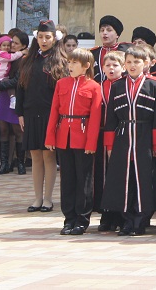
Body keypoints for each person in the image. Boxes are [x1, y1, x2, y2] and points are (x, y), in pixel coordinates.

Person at [102, 46, 156, 236]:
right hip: (123, 136)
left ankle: (140, 220)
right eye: (129, 62)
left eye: (136, 62)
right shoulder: (117, 86)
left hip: (145, 136)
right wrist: (110, 144)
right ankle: (127, 220)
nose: (132, 66)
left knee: (143, 179)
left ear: (145, 63)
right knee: (124, 179)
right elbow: (111, 119)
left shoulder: (155, 85)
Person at [45, 48, 102, 235]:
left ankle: (82, 219)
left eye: (74, 62)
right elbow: (54, 111)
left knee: (84, 180)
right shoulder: (61, 84)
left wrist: (91, 143)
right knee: (67, 179)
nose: (70, 66)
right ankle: (68, 218)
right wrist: (50, 137)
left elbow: (95, 117)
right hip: (64, 136)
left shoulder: (94, 87)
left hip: (83, 136)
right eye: (69, 62)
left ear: (86, 66)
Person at [16, 20, 68, 212]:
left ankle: (48, 199)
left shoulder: (61, 61)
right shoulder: (28, 60)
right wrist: (20, 113)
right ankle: (37, 198)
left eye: (47, 37)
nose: (44, 41)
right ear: (36, 38)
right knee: (35, 156)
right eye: (40, 37)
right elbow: (20, 88)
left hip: (50, 115)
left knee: (48, 156)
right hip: (30, 113)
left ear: (55, 39)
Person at [95, 51, 126, 232]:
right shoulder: (99, 86)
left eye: (115, 65)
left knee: (119, 176)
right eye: (107, 65)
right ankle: (106, 214)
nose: (111, 69)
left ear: (123, 67)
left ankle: (120, 215)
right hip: (101, 135)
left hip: (121, 134)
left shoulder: (124, 86)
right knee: (103, 177)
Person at [0, 31, 30, 175]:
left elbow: (17, 80)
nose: (12, 45)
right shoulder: (5, 55)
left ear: (24, 46)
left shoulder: (24, 59)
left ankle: (20, 162)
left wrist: (1, 84)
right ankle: (4, 164)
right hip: (4, 96)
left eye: (15, 43)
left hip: (17, 96)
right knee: (3, 129)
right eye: (11, 42)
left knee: (17, 130)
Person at [91, 15, 130, 83]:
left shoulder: (126, 51)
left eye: (109, 30)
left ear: (117, 35)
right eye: (102, 30)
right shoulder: (93, 53)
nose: (104, 33)